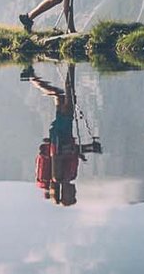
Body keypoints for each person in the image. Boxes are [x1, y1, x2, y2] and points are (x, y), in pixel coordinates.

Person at [24, 62, 99, 207]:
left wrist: (85, 148)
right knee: (60, 96)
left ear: (65, 193)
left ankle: (71, 64)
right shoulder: (69, 176)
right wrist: (84, 150)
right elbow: (71, 153)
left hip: (61, 136)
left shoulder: (57, 177)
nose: (75, 192)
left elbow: (57, 154)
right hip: (63, 135)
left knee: (68, 96)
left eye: (72, 195)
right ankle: (32, 78)